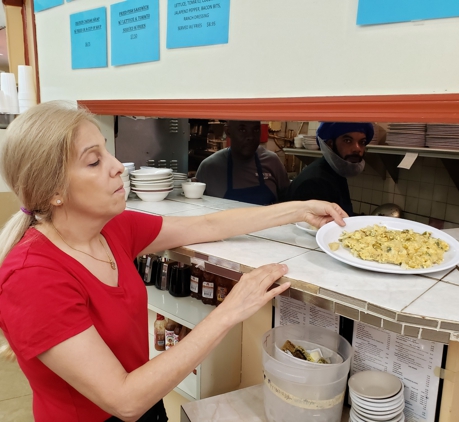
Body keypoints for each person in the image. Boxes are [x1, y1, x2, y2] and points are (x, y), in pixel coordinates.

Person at [0, 102, 347, 422]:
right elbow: (123, 400)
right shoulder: (32, 276)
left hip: (150, 401)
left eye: (107, 150)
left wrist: (298, 210)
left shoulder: (111, 229)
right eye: (94, 161)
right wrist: (229, 310)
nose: (118, 166)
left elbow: (207, 225)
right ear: (53, 191)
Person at [285, 122, 374, 216]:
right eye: (347, 141)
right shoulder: (314, 182)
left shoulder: (336, 172)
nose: (357, 148)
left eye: (362, 142)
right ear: (330, 144)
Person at [195, 120, 290, 205]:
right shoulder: (209, 168)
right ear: (228, 132)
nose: (251, 137)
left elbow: (288, 202)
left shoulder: (272, 162)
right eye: (242, 130)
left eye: (256, 130)